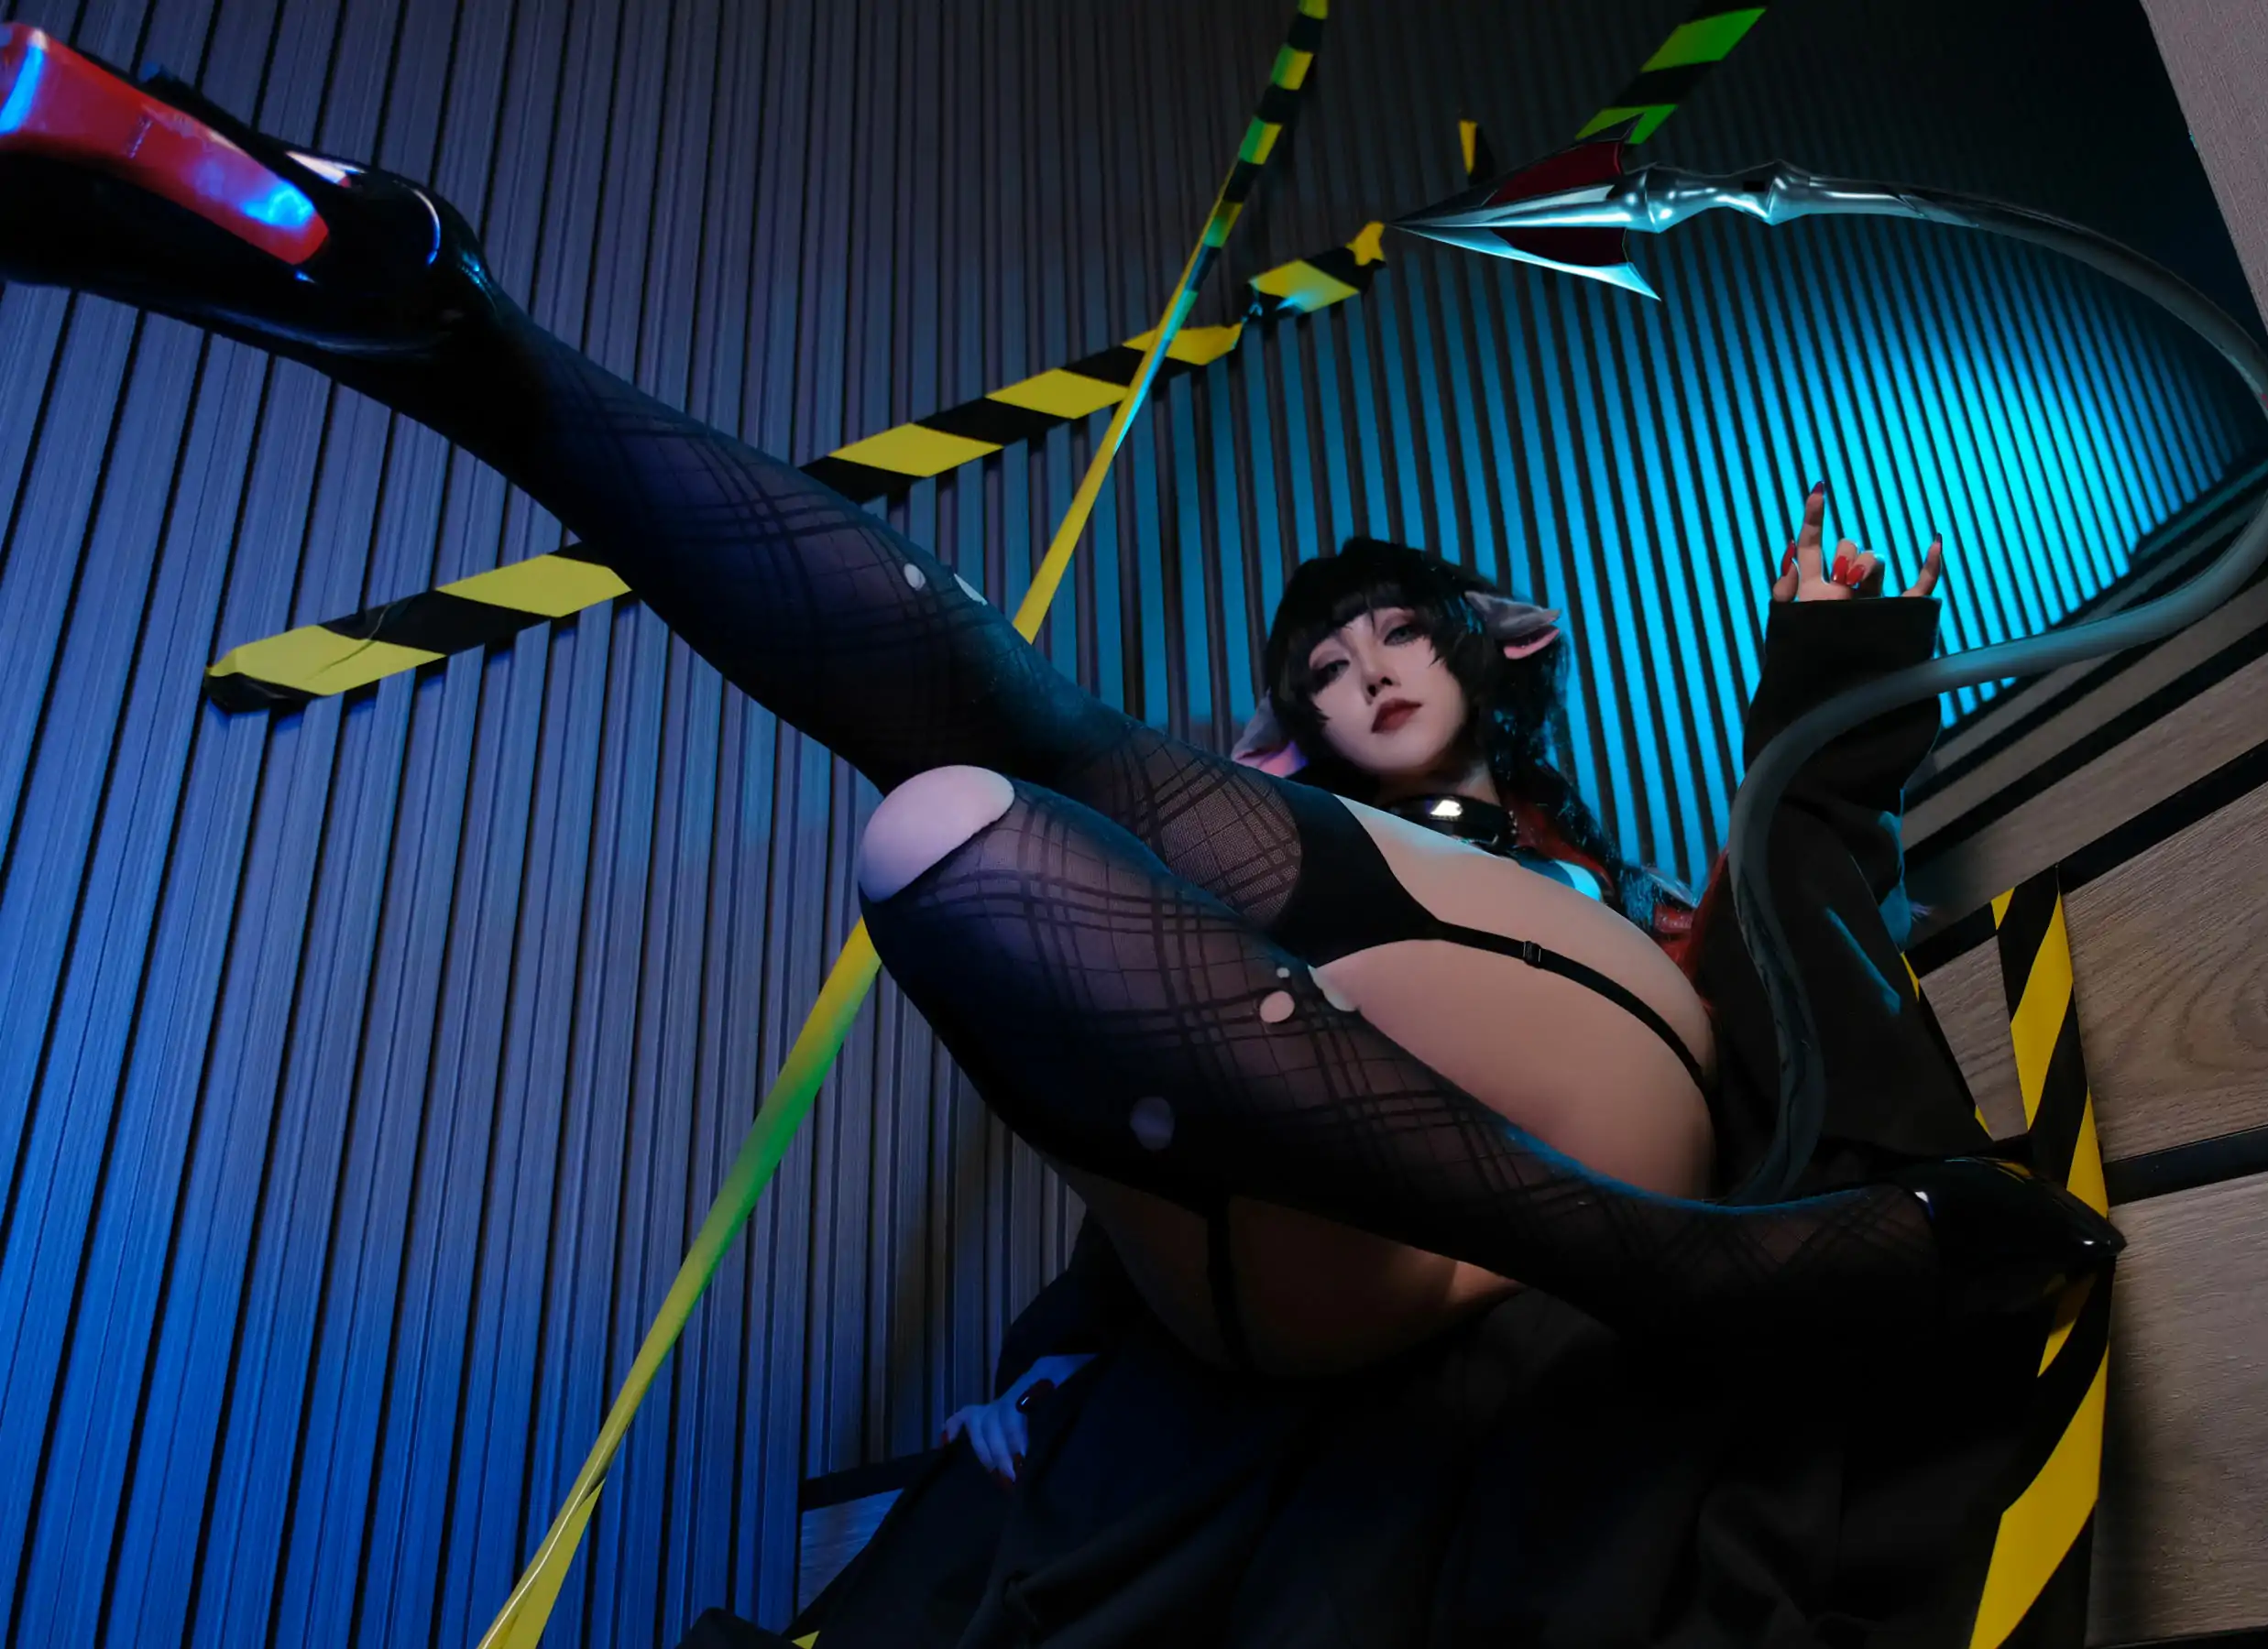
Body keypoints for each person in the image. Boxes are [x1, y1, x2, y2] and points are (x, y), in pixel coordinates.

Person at [0, 32, 2117, 1641]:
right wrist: (1045, 1378)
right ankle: (449, 337)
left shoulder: (1592, 871)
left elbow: (1791, 927)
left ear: (1499, 647)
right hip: (1348, 1250)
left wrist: (1814, 681)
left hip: (1519, 1156)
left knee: (979, 798)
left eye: (1398, 633)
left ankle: (456, 336)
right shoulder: (1286, 834)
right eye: (1325, 660)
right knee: (983, 816)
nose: (1364, 670)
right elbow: (1180, 1106)